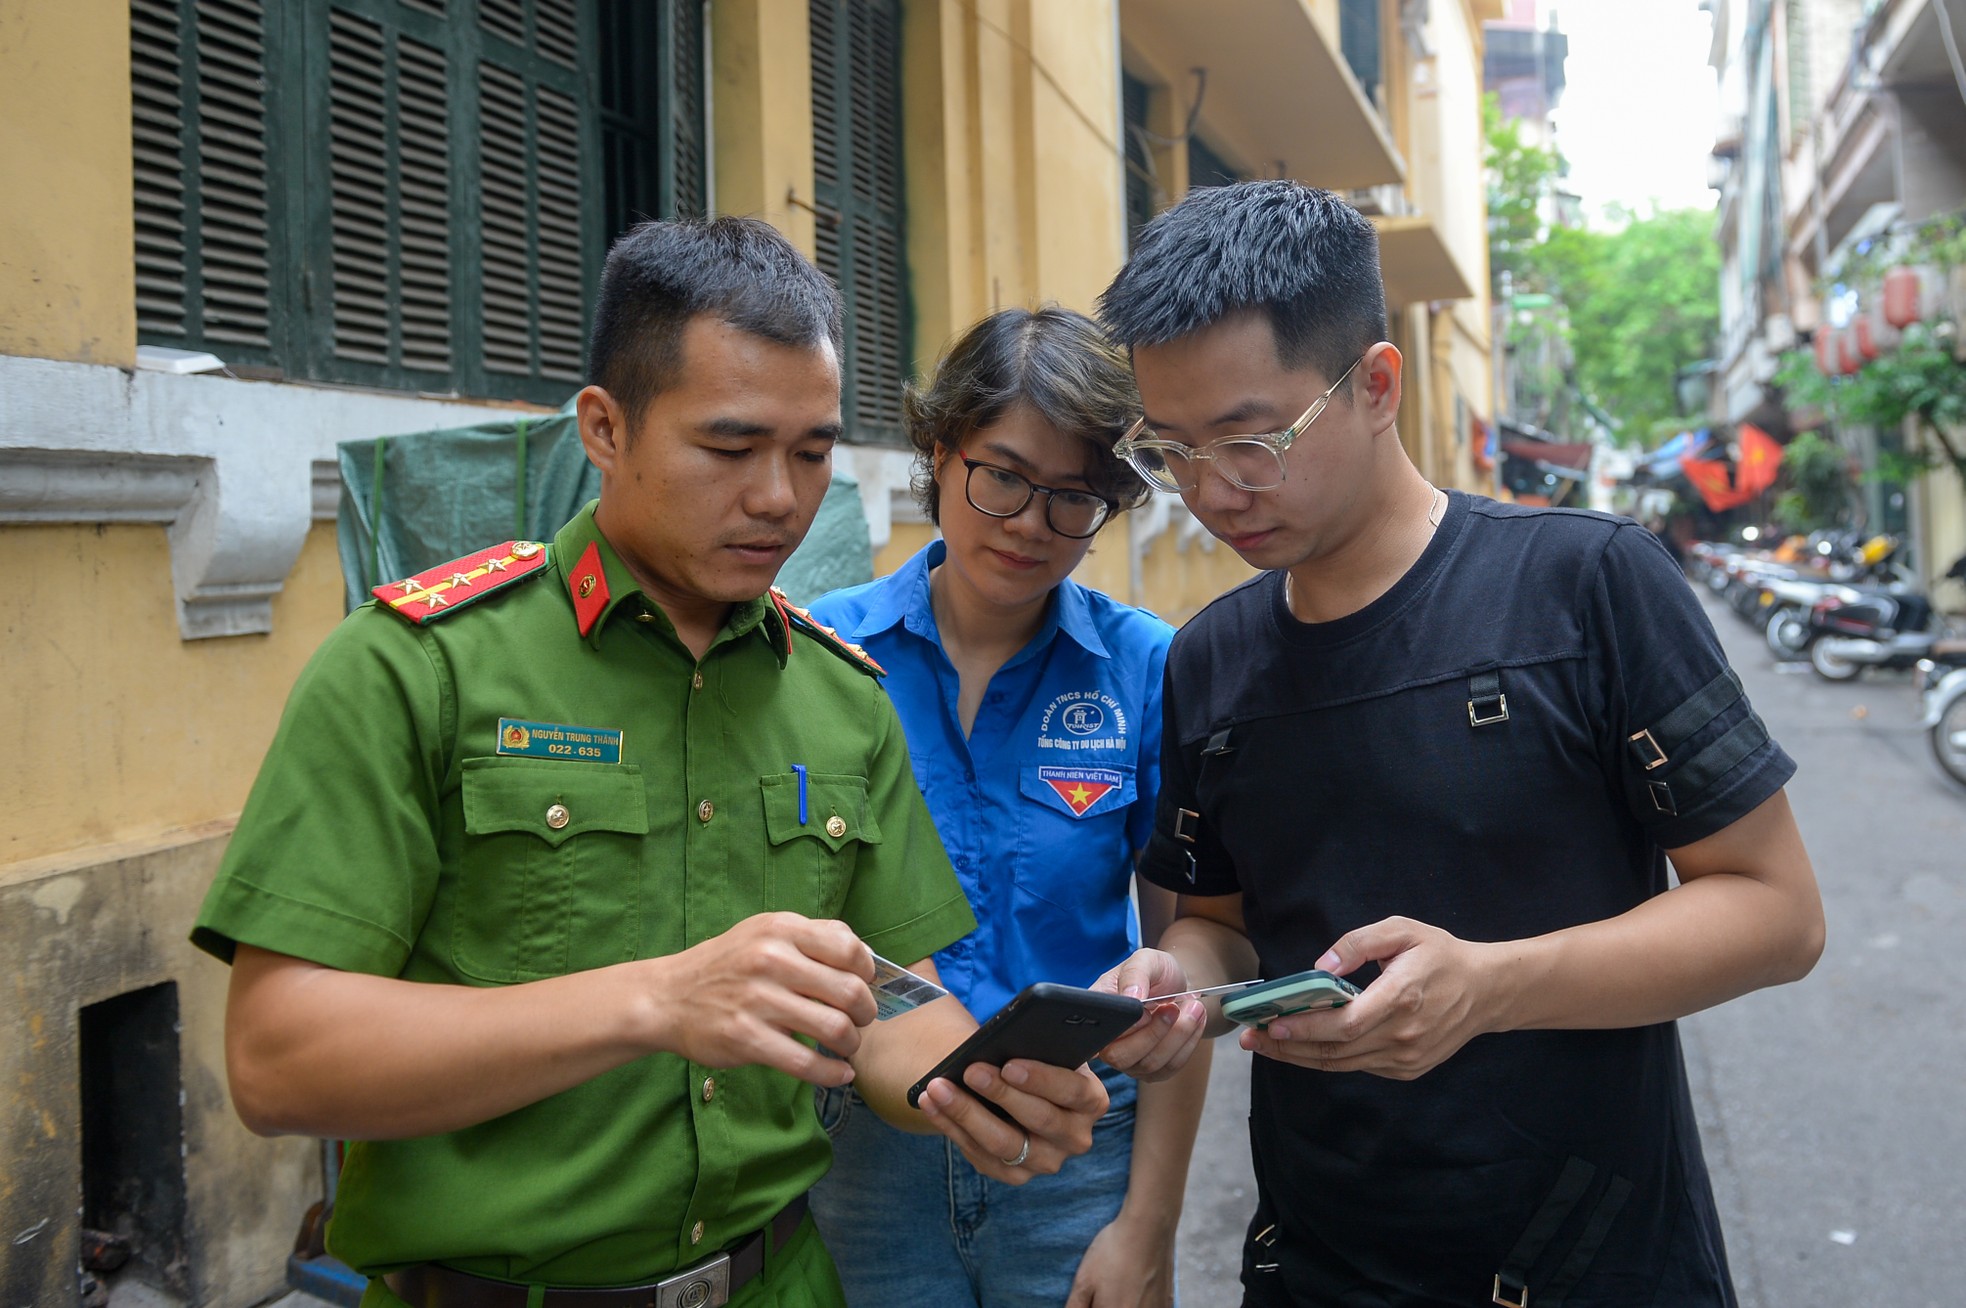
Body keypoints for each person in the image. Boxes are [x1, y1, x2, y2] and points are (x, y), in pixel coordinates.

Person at [192, 217, 1109, 1308]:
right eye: (729, 447)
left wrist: (987, 1091)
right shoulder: (416, 671)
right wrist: (657, 1001)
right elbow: (277, 1061)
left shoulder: (840, 701)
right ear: (605, 428)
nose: (779, 496)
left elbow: (887, 998)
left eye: (812, 451)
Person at [1089, 182, 1826, 1307]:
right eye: (1169, 449)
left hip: (1593, 1261)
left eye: (1250, 439)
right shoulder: (1210, 658)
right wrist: (1176, 982)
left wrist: (1494, 986)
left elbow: (1778, 914)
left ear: (1375, 385)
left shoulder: (1585, 584)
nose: (1208, 491)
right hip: (1316, 1265)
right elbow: (1220, 926)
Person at [802, 306, 1212, 1308]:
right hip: (869, 1148)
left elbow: (1182, 969)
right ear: (939, 454)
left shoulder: (1145, 668)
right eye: (1003, 475)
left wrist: (1146, 1230)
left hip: (1076, 1138)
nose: (1031, 522)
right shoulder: (816, 660)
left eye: (1074, 498)